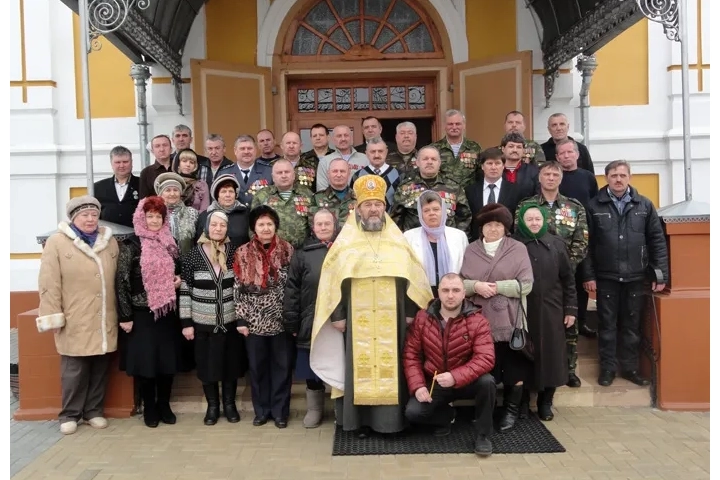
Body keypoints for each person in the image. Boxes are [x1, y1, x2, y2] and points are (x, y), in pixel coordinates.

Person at [309, 175, 434, 438]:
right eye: (368, 205)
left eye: (378, 204)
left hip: (395, 317)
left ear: (385, 207)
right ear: (358, 208)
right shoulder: (346, 242)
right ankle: (359, 423)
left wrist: (411, 313)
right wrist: (338, 315)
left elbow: (414, 278)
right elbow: (333, 282)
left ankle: (391, 422)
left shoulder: (398, 241)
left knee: (395, 364)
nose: (374, 209)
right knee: (359, 366)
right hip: (357, 320)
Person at [36, 196, 119, 435]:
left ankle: (93, 410)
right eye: (85, 215)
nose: (90, 219)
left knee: (100, 365)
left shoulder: (109, 242)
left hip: (104, 315)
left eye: (94, 214)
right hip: (75, 315)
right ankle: (70, 414)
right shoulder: (57, 243)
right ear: (74, 218)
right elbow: (49, 282)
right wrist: (53, 314)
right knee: (74, 368)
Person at [583, 160, 668, 387]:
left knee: (632, 326)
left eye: (622, 175)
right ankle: (608, 369)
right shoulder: (594, 206)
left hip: (636, 277)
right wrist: (589, 276)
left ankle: (630, 369)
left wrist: (660, 275)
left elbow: (657, 241)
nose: (618, 179)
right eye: (613, 175)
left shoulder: (645, 205)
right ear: (606, 178)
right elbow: (586, 246)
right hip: (606, 276)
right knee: (607, 326)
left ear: (630, 177)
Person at [403, 273, 496, 456]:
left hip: (466, 381)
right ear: (438, 292)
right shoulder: (423, 318)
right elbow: (411, 355)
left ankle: (483, 435)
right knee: (412, 413)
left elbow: (486, 358)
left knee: (488, 382)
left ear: (464, 294)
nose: (450, 295)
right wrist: (418, 386)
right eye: (445, 290)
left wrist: (455, 377)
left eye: (456, 290)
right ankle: (446, 416)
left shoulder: (477, 320)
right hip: (435, 380)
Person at [460, 203, 533, 432]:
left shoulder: (518, 248)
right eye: (488, 225)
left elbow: (527, 284)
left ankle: (510, 412)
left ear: (505, 228)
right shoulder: (471, 250)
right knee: (485, 368)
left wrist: (497, 286)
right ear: (481, 228)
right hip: (481, 322)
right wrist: (476, 286)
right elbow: (460, 283)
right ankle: (486, 411)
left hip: (511, 321)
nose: (493, 229)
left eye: (498, 225)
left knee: (514, 368)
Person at [115, 197, 182, 428]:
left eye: (158, 216)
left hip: (166, 312)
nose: (154, 220)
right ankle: (150, 407)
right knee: (146, 364)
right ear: (141, 218)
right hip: (142, 313)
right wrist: (125, 316)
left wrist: (177, 280)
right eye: (150, 216)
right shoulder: (131, 245)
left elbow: (178, 270)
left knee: (166, 363)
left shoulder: (169, 242)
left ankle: (164, 404)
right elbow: (122, 282)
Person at [179, 211, 245, 425]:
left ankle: (229, 405)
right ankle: (213, 406)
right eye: (214, 225)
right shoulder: (193, 255)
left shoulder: (234, 252)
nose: (218, 229)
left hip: (230, 322)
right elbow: (186, 291)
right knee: (207, 368)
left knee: (230, 367)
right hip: (203, 324)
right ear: (207, 227)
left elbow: (240, 288)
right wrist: (186, 323)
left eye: (222, 225)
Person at [513, 204, 577, 421]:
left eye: (537, 219)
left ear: (544, 221)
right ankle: (521, 403)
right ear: (522, 221)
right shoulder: (514, 244)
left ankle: (545, 402)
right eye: (529, 219)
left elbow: (568, 280)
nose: (533, 223)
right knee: (522, 356)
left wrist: (570, 309)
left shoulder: (557, 244)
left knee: (551, 355)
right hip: (522, 310)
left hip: (552, 309)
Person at [234, 206, 295, 428]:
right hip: (254, 321)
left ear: (275, 226)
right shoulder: (242, 252)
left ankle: (280, 412)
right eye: (261, 224)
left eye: (269, 224)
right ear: (254, 228)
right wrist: (241, 319)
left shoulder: (288, 250)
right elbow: (237, 288)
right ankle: (261, 411)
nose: (266, 228)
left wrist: (292, 317)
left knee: (282, 367)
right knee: (258, 369)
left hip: (281, 320)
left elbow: (293, 287)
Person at [283, 208, 338, 428]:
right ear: (313, 228)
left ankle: (341, 409)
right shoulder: (302, 253)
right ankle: (315, 409)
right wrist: (292, 320)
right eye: (319, 224)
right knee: (311, 364)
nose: (323, 227)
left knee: (338, 363)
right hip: (310, 318)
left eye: (327, 223)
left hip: (338, 320)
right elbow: (292, 289)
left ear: (335, 226)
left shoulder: (345, 250)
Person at [403, 190, 469, 297]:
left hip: (452, 295)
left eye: (436, 209)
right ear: (420, 214)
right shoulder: (408, 237)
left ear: (443, 211)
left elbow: (465, 270)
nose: (432, 213)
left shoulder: (459, 236)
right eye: (426, 210)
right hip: (420, 295)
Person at [93, 145, 140, 227]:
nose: (121, 166)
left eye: (125, 162)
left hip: (136, 237)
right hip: (107, 237)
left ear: (132, 162)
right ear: (111, 163)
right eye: (117, 162)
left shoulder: (143, 184)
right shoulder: (98, 187)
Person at [155, 172, 199, 256]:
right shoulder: (154, 215)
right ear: (160, 194)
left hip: (187, 264)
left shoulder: (192, 213)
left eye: (175, 190)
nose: (172, 194)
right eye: (168, 190)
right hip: (161, 265)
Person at [173, 148, 210, 212]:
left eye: (191, 162)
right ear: (178, 164)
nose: (188, 165)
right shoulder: (171, 182)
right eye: (184, 161)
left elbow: (204, 210)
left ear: (195, 166)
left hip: (197, 220)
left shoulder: (201, 185)